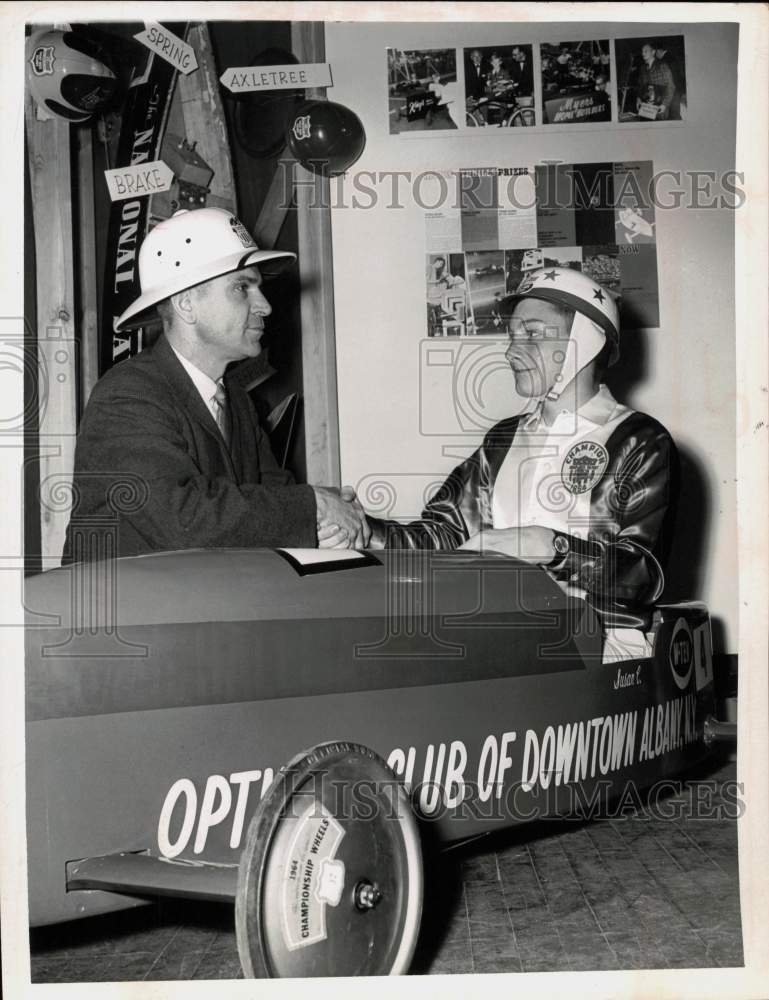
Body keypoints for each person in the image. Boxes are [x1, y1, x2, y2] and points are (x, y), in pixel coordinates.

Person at [62, 207, 369, 563]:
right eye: (242, 288)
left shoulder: (237, 402)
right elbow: (182, 520)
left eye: (259, 288)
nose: (265, 306)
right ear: (186, 304)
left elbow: (275, 498)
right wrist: (315, 505)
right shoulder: (127, 395)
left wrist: (331, 523)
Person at [365, 267, 677, 615]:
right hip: (505, 635)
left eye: (532, 334)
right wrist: (364, 533)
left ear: (585, 340)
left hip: (607, 645)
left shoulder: (640, 441)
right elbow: (443, 536)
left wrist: (549, 546)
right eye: (512, 337)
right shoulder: (502, 439)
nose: (511, 352)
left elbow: (644, 574)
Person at [636, 42, 676, 120]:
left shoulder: (662, 66)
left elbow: (671, 86)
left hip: (659, 108)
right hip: (646, 108)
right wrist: (638, 98)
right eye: (642, 51)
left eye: (645, 51)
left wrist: (664, 104)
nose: (643, 53)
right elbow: (640, 85)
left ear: (653, 52)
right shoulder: (642, 68)